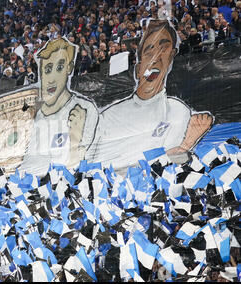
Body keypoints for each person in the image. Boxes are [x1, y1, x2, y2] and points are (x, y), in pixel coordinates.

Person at [87, 19, 213, 171]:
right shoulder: (108, 116)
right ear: (139, 69)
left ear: (170, 59)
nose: (156, 59)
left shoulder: (177, 111)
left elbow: (171, 163)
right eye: (149, 51)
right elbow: (90, 167)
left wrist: (186, 145)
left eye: (164, 49)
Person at [19, 37, 99, 176]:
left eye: (59, 67)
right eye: (47, 70)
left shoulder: (84, 109)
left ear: (69, 68)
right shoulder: (35, 116)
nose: (52, 79)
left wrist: (75, 138)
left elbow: (86, 166)